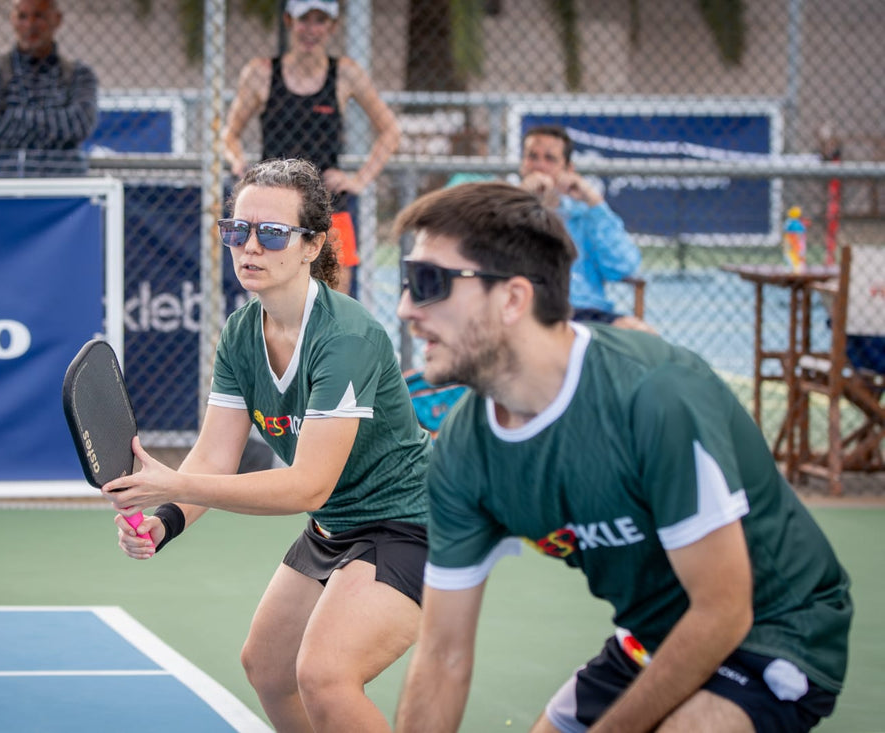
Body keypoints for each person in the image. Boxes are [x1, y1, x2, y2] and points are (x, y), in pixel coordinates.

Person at [391, 181, 852, 732]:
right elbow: (442, 655)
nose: (405, 308)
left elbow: (724, 611)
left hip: (775, 631)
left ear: (513, 298)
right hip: (652, 636)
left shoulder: (656, 396)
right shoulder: (464, 447)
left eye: (429, 282)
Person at [104, 158, 431, 732]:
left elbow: (308, 486)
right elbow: (215, 456)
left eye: (273, 233)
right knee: (269, 668)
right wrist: (166, 518)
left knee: (325, 675)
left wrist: (172, 481)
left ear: (312, 246)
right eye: (237, 230)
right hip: (335, 525)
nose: (249, 246)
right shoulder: (240, 334)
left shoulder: (346, 337)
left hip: (408, 525)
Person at [224, 0, 401, 296]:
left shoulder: (345, 73)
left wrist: (359, 179)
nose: (311, 29)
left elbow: (391, 132)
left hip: (329, 207)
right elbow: (229, 135)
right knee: (273, 301)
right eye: (304, 19)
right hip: (273, 210)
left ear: (332, 27)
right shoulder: (261, 73)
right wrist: (239, 163)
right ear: (289, 21)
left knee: (336, 301)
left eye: (320, 20)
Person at [518, 124, 655, 333]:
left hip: (585, 313)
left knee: (642, 335)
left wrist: (595, 203)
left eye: (550, 159)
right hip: (527, 312)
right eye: (532, 157)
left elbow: (625, 267)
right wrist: (519, 199)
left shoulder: (586, 216)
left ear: (568, 169)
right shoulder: (505, 213)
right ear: (522, 165)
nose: (539, 166)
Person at [0, 0, 97, 177]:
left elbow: (78, 126)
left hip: (63, 184)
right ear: (12, 19)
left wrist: (12, 118)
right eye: (22, 16)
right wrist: (55, 124)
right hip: (3, 181)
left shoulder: (79, 74)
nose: (30, 25)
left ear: (57, 19)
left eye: (39, 16)